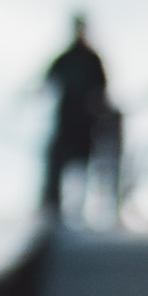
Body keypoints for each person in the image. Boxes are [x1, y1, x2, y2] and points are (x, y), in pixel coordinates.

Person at [40, 16, 111, 219]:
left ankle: (81, 211)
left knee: (85, 166)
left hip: (85, 124)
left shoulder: (92, 60)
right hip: (65, 121)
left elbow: (101, 92)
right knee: (56, 162)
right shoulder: (66, 58)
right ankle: (52, 208)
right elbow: (48, 80)